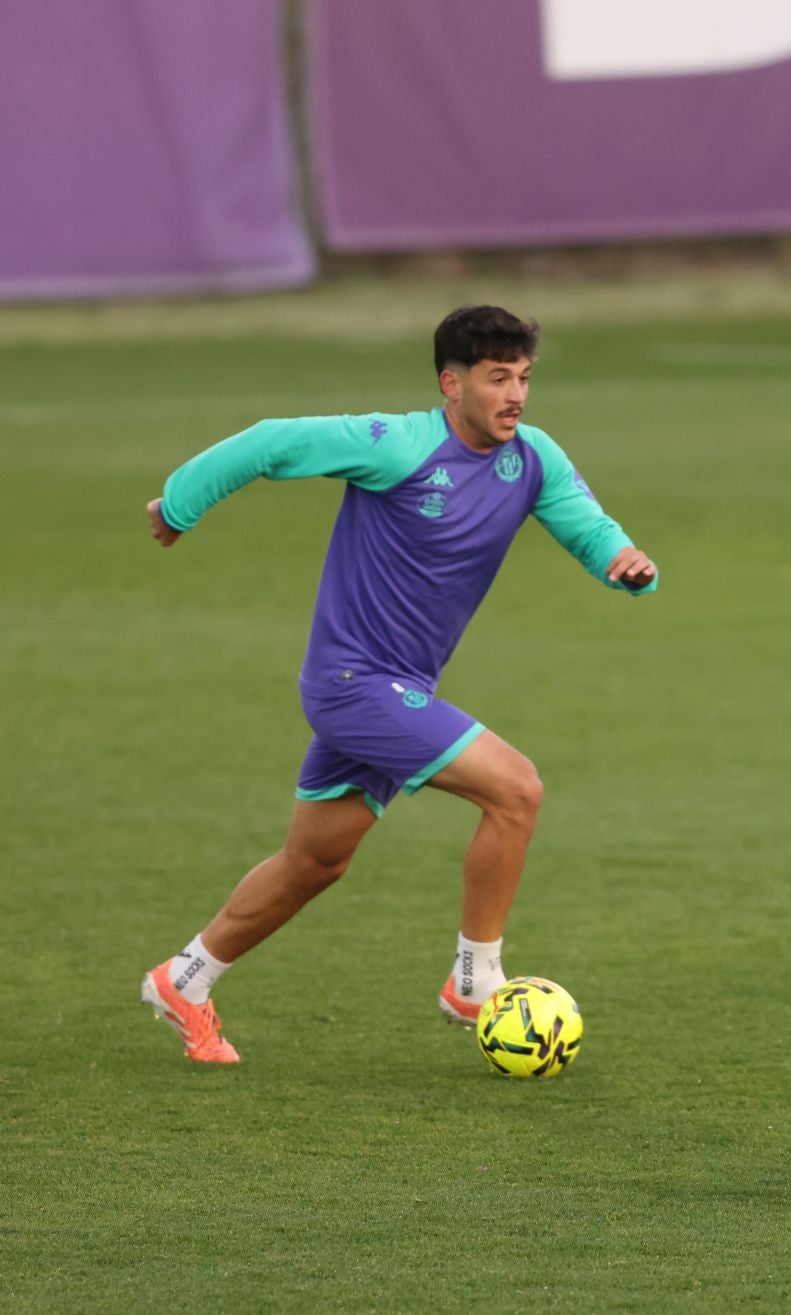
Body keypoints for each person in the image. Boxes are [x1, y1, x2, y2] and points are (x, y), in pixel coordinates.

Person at [139, 305, 657, 1063]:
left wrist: (622, 559)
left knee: (315, 862)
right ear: (452, 383)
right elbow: (270, 443)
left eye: (523, 378)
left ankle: (184, 977)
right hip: (353, 684)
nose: (515, 395)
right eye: (496, 378)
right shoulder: (398, 445)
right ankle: (473, 980)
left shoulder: (531, 458)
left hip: (399, 687)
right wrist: (179, 504)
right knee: (516, 790)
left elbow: (586, 522)